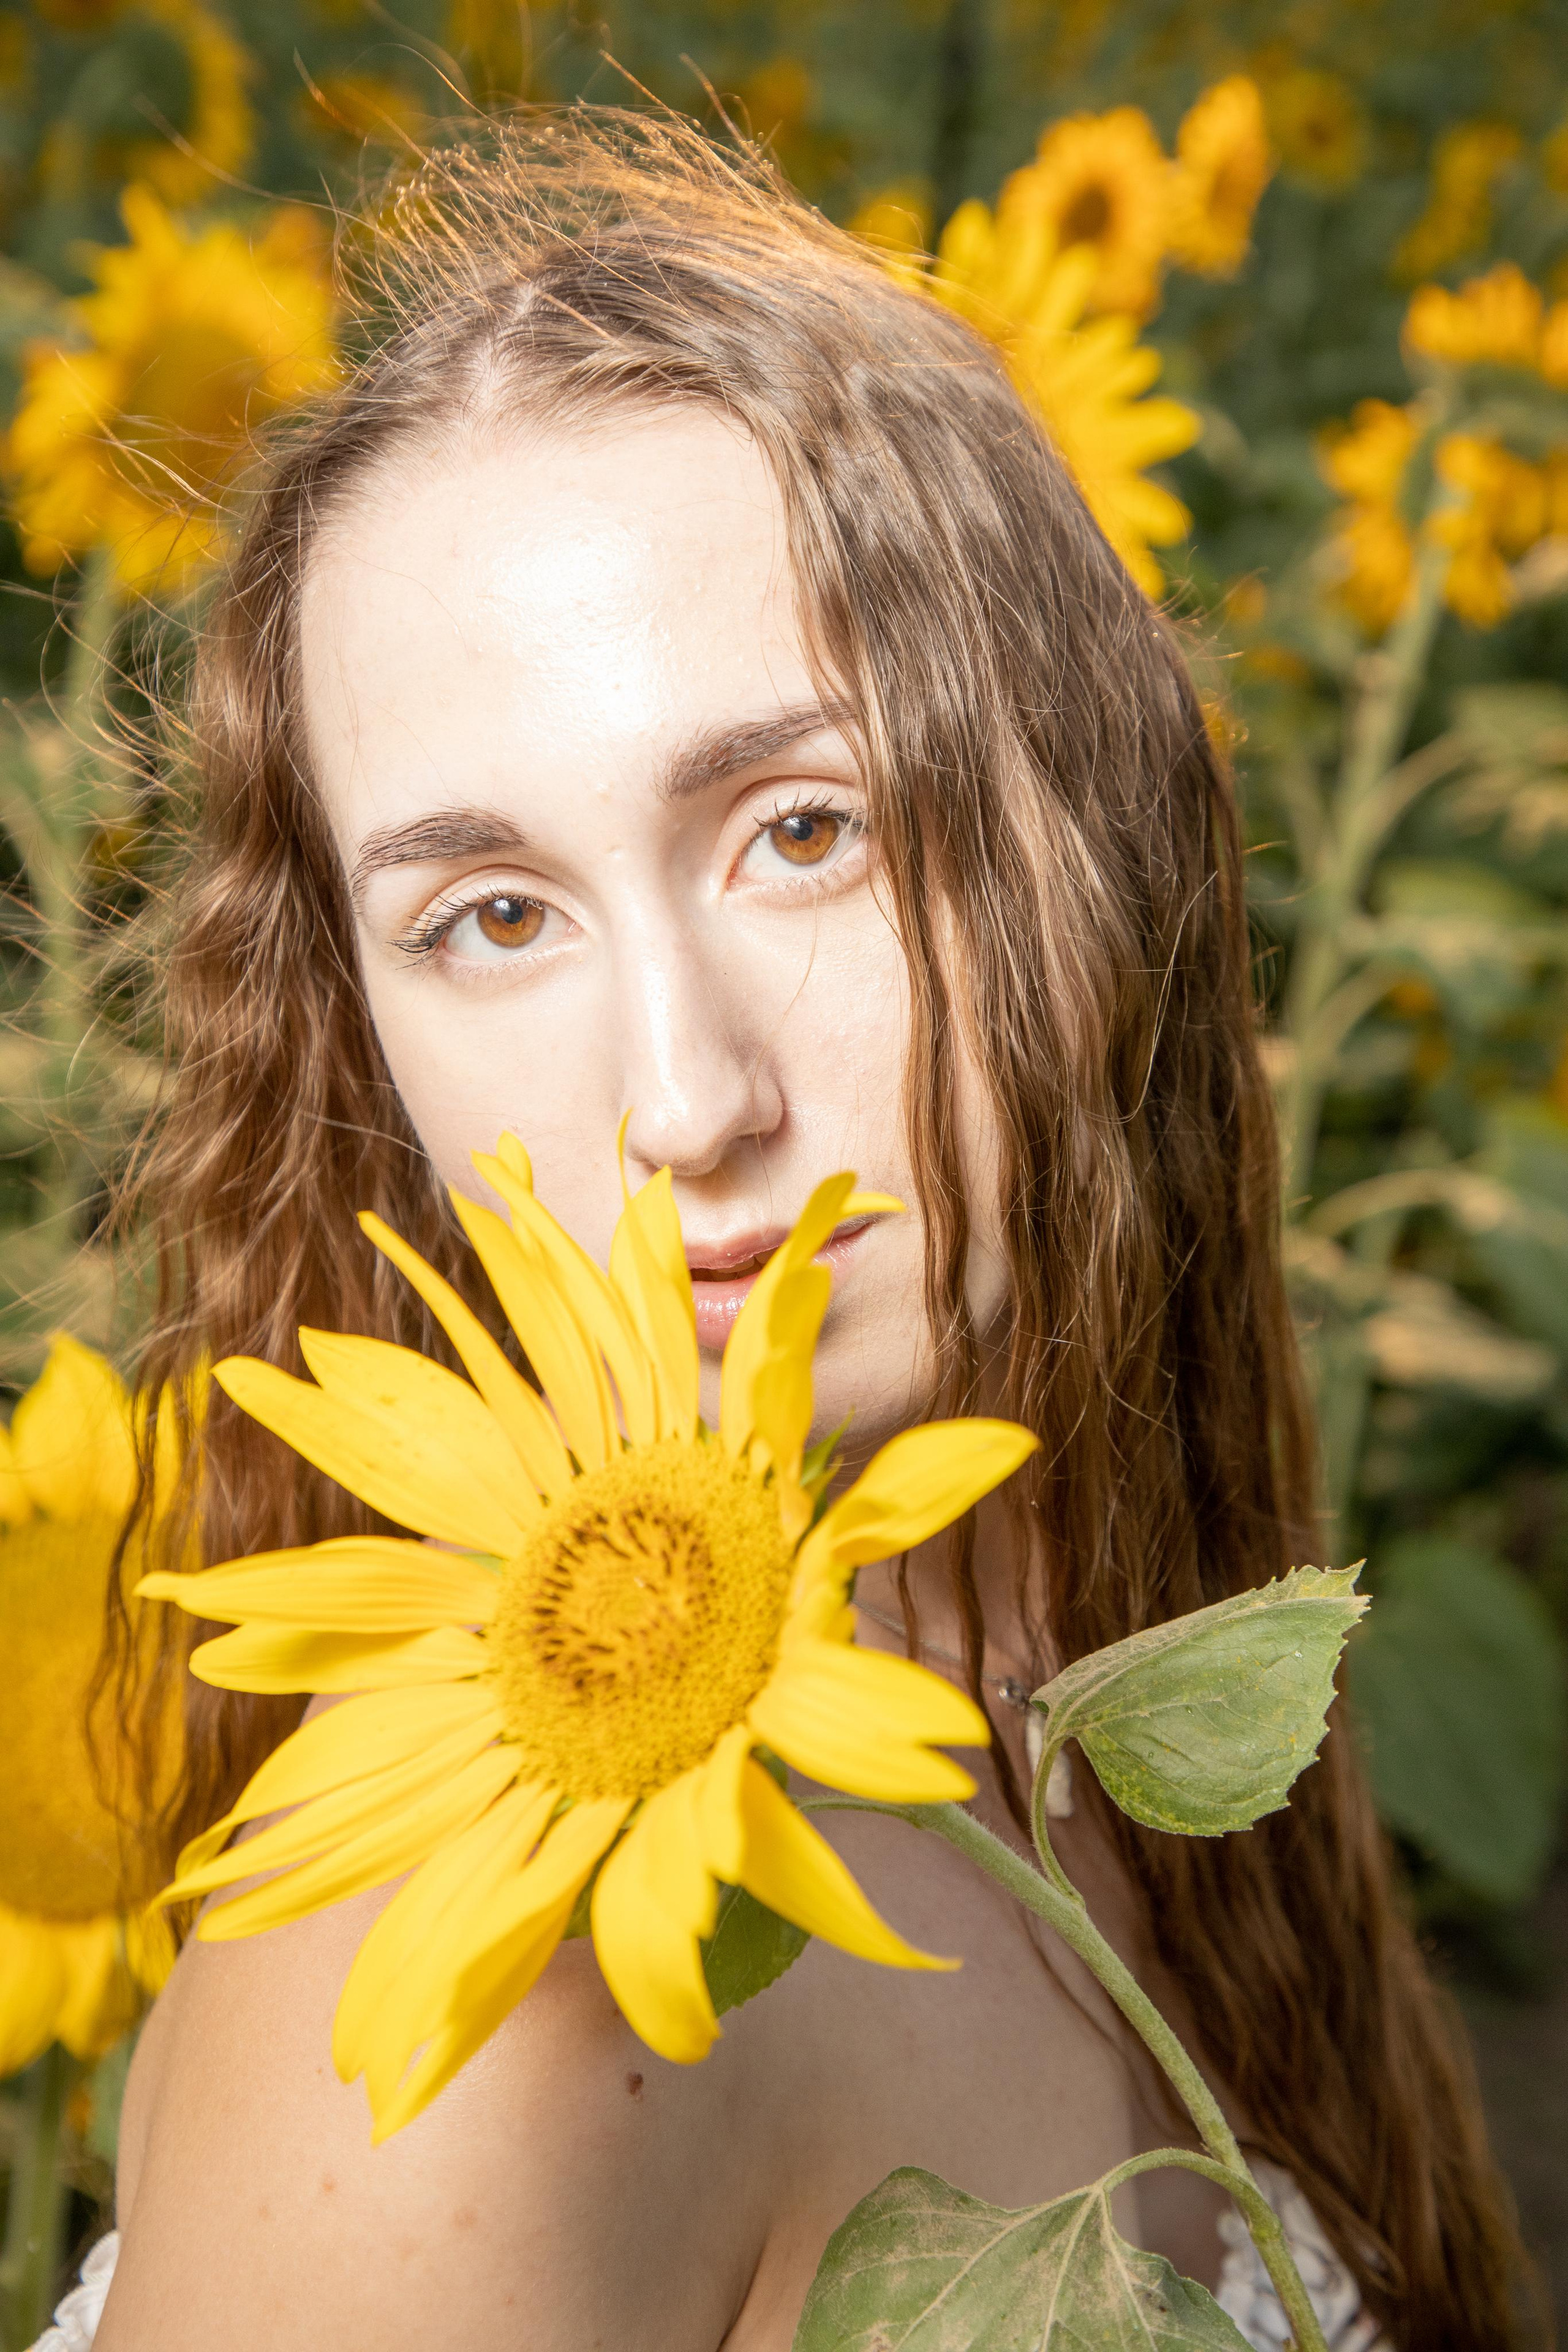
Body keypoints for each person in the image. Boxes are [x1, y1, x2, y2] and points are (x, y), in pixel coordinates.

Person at [78, 110, 1521, 2351]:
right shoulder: (487, 2009)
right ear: (355, 1027)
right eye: (490, 914)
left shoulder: (1094, 1706)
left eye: (808, 829)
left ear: (1102, 834)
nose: (682, 1099)